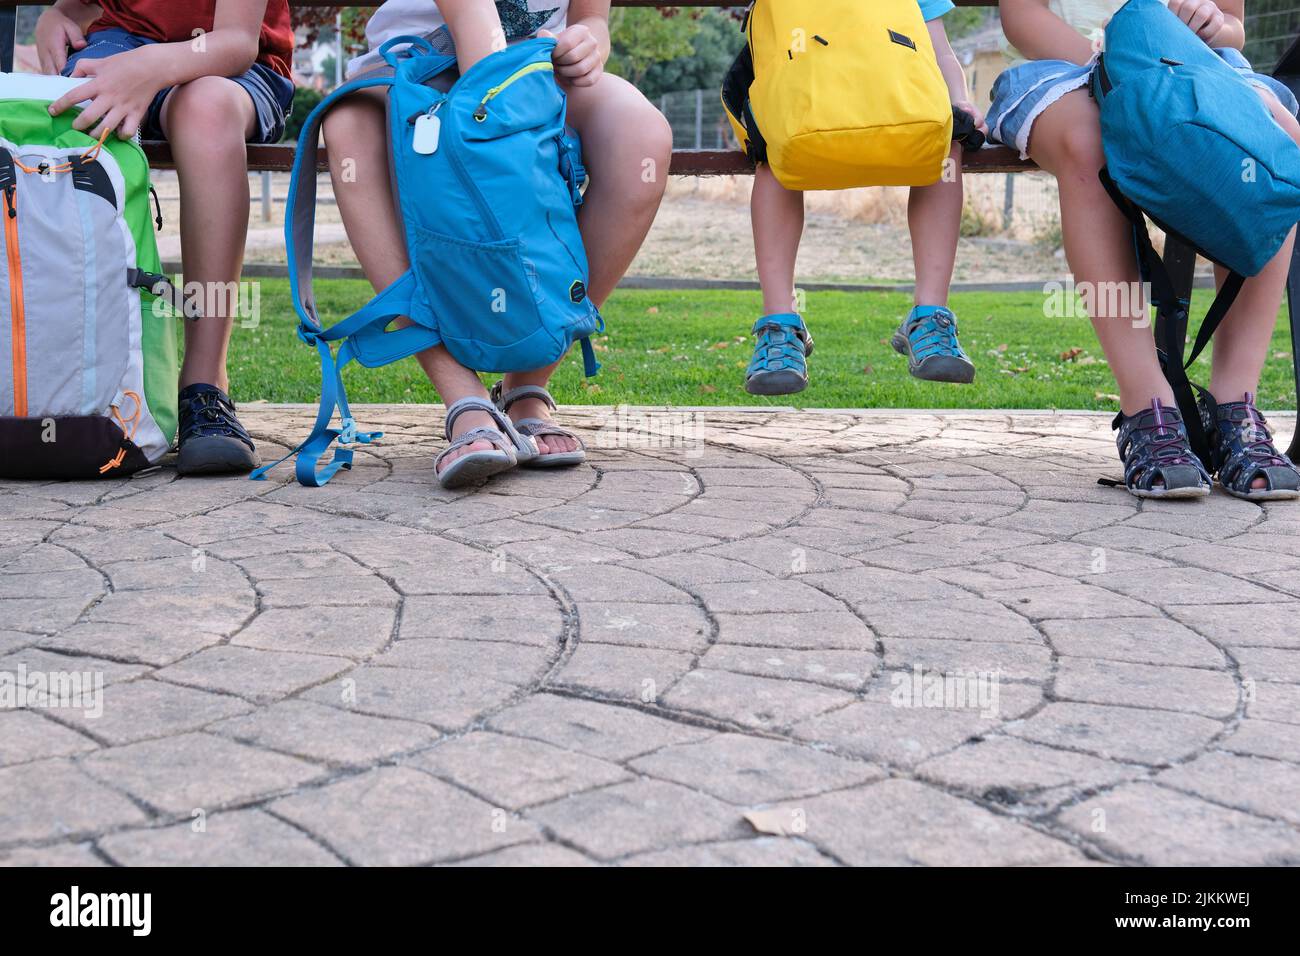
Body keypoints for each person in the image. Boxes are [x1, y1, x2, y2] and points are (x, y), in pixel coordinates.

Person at [322, 0, 672, 487]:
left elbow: (592, 18)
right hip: (413, 71)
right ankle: (463, 401)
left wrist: (589, 43)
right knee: (347, 126)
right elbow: (473, 25)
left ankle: (528, 384)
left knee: (641, 136)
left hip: (537, 72)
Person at [990, 0, 1300, 499]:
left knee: (1273, 143)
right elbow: (1022, 19)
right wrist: (1114, 70)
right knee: (1089, 144)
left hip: (1192, 68)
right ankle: (1147, 409)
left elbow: (1233, 27)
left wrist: (1214, 25)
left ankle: (1234, 406)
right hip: (1065, 69)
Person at [37, 0, 296, 474]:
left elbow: (237, 42)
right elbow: (78, 8)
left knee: (206, 108)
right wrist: (58, 16)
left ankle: (204, 385)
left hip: (231, 66)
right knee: (69, 104)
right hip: (120, 44)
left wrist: (151, 65)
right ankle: (66, 380)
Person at [744, 0, 985, 397]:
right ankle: (779, 320)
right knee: (771, 149)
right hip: (809, 103)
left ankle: (929, 314)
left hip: (893, 106)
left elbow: (938, 49)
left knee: (949, 141)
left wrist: (959, 100)